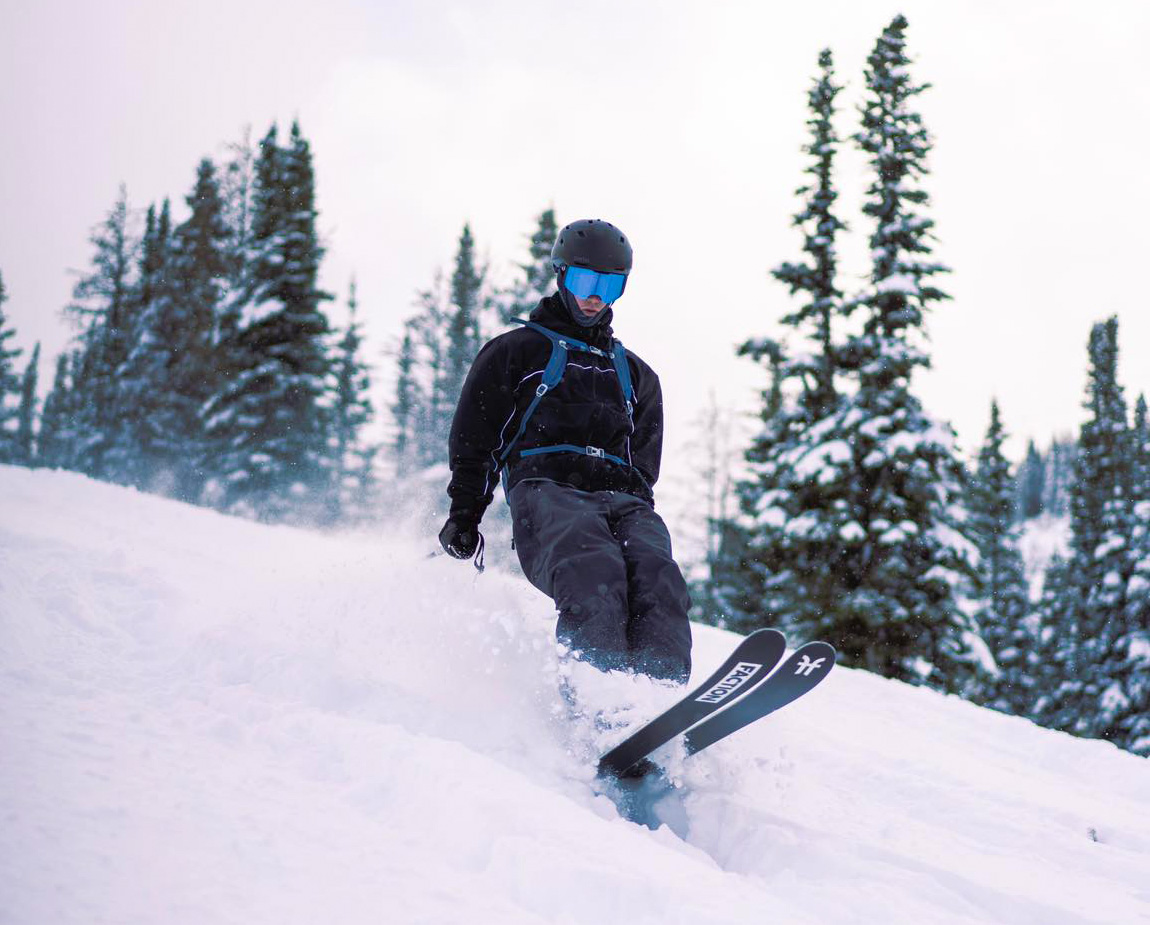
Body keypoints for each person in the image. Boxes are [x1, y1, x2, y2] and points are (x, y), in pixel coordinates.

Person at [438, 218, 692, 684]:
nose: (595, 295)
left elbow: (644, 465)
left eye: (609, 285)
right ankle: (599, 699)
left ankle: (657, 696)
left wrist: (638, 522)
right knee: (594, 575)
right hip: (547, 491)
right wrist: (465, 513)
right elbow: (475, 439)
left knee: (657, 578)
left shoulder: (637, 376)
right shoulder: (516, 352)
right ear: (561, 276)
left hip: (623, 499)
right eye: (584, 280)